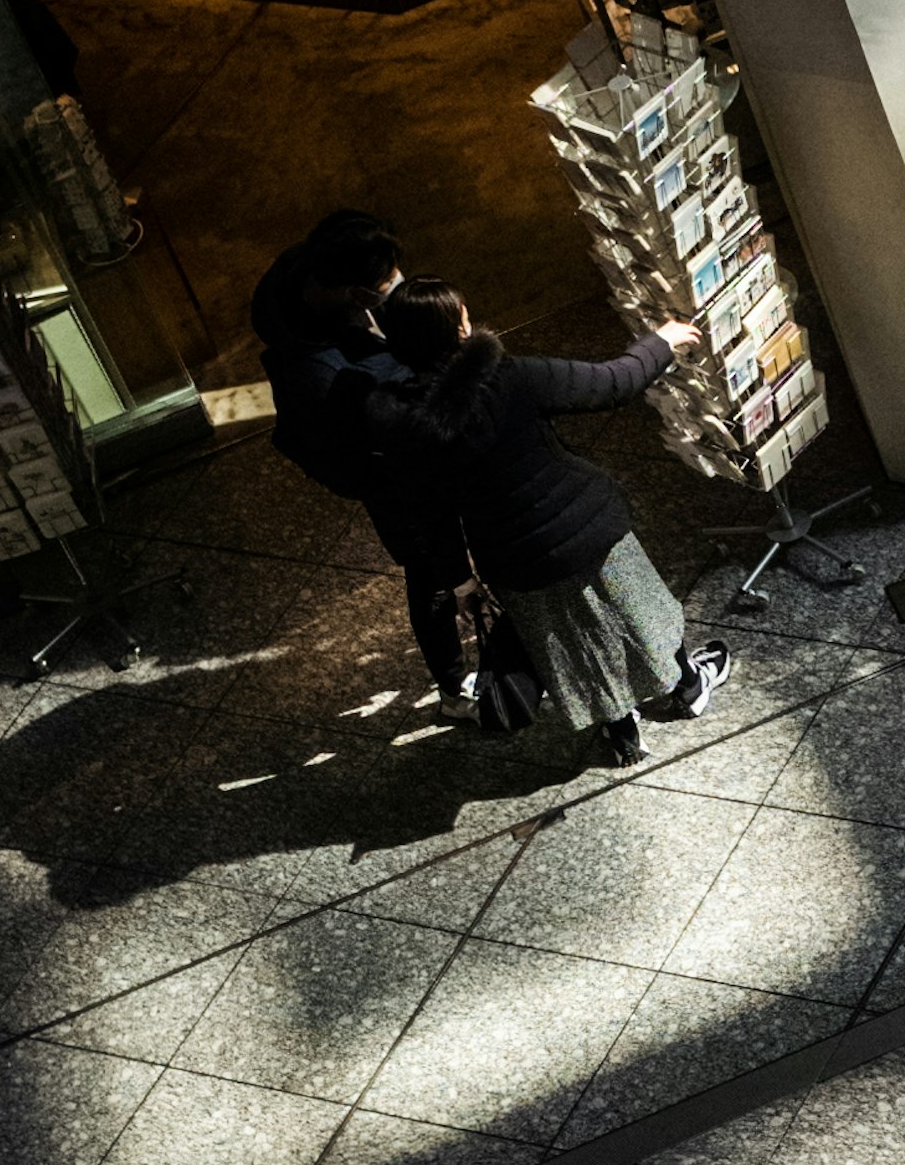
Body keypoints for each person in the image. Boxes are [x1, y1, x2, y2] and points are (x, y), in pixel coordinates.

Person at [365, 286, 728, 755]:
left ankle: (619, 728)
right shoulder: (510, 376)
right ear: (461, 326)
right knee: (644, 612)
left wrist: (460, 582)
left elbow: (429, 515)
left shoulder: (401, 426)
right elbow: (611, 383)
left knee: (573, 643)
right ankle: (687, 686)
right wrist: (660, 342)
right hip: (587, 528)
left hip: (513, 557)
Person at [249, 203, 467, 698]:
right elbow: (355, 451)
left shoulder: (294, 278)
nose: (396, 291)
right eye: (386, 287)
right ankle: (454, 683)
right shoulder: (328, 379)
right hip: (393, 475)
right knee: (429, 569)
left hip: (386, 451)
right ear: (355, 295)